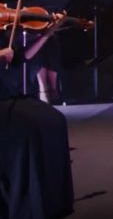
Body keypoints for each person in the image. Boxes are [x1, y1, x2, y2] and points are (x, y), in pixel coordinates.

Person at [1, 20, 74, 218]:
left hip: (8, 95)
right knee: (30, 127)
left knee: (54, 119)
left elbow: (22, 57)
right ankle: (26, 199)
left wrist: (46, 34)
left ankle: (51, 198)